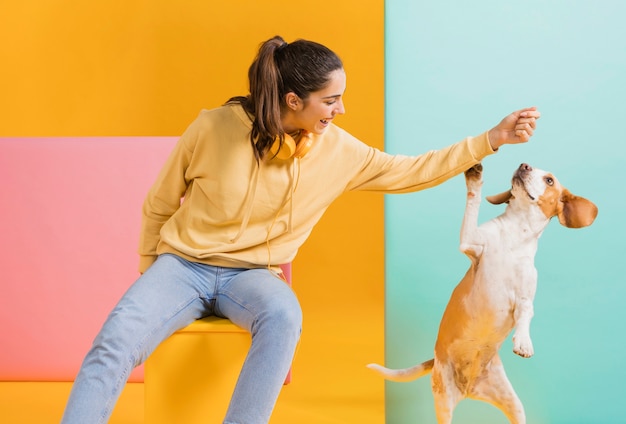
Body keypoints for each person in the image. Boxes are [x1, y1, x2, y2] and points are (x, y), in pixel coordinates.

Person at [61, 35, 540, 424]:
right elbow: (159, 203)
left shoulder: (339, 150)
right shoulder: (212, 129)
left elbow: (412, 170)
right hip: (181, 265)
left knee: (285, 317)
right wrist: (150, 275)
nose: (341, 110)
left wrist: (491, 139)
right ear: (294, 100)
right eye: (331, 100)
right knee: (115, 341)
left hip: (253, 276)